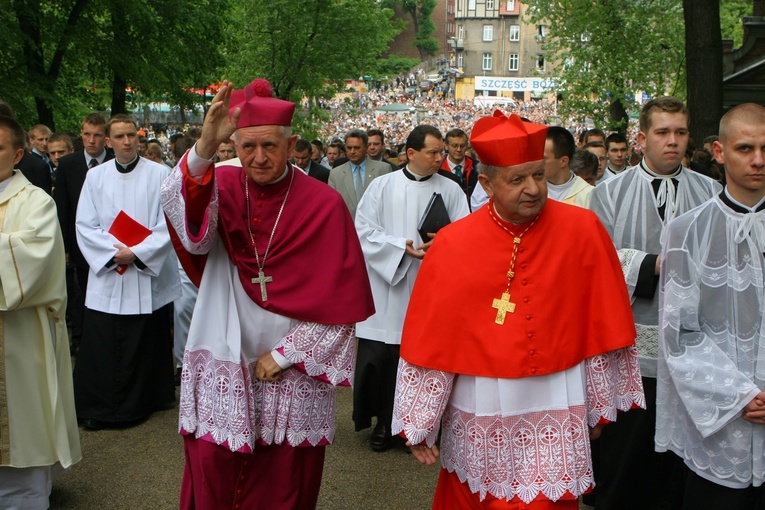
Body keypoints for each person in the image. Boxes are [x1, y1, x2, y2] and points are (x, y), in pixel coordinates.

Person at [392, 111, 643, 509]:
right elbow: (433, 339)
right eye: (517, 179)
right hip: (480, 399)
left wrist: (598, 410)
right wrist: (420, 422)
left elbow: (602, 323)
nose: (533, 189)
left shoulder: (583, 230)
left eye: (538, 175)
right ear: (487, 183)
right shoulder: (453, 243)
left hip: (557, 397)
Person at [160, 78, 374, 509]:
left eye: (270, 147)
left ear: (292, 143)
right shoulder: (219, 182)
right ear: (234, 146)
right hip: (224, 347)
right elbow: (189, 229)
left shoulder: (324, 203)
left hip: (290, 365)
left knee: (283, 479)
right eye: (247, 147)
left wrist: (283, 356)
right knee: (214, 466)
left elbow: (341, 305)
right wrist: (204, 146)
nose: (258, 158)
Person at [589, 96, 722, 510]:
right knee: (629, 445)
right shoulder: (608, 193)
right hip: (631, 337)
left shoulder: (712, 190)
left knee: (680, 454)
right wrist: (654, 264)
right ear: (642, 138)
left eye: (680, 133)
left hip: (692, 339)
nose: (673, 142)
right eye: (663, 133)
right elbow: (598, 261)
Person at [656, 103, 765, 509]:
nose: (758, 160)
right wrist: (739, 394)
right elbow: (679, 332)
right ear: (719, 152)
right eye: (745, 148)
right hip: (721, 423)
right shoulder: (686, 230)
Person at [354, 125, 469, 452]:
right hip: (388, 290)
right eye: (433, 152)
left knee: (423, 361)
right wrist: (398, 246)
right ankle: (384, 423)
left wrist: (443, 243)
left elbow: (465, 236)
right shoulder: (382, 186)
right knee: (384, 359)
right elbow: (362, 230)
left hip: (430, 287)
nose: (439, 158)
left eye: (442, 152)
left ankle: (419, 427)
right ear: (411, 153)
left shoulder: (452, 190)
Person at [73, 114, 180, 430]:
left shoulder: (162, 174)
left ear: (139, 136)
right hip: (109, 272)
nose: (127, 141)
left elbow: (170, 222)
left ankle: (143, 402)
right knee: (104, 341)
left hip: (144, 271)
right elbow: (85, 225)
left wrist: (137, 252)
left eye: (132, 135)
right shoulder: (96, 177)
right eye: (119, 136)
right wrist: (113, 253)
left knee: (143, 339)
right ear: (108, 141)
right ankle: (100, 406)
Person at [0, 114, 81, 508]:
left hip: (20, 332)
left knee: (23, 421)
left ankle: (23, 496)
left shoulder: (36, 202)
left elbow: (34, 257)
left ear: (16, 154)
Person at [328, 129, 391, 218]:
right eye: (349, 148)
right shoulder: (335, 174)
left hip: (377, 226)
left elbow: (389, 202)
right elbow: (333, 205)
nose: (352, 151)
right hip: (348, 226)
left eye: (357, 148)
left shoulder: (383, 169)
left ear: (366, 147)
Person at [543, 126, 592, 207]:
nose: (537, 163)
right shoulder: (535, 190)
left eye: (543, 158)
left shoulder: (588, 194)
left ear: (563, 161)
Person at [439, 128, 479, 200]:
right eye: (454, 145)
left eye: (462, 146)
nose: (459, 149)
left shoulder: (477, 167)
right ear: (446, 145)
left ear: (467, 145)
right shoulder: (437, 168)